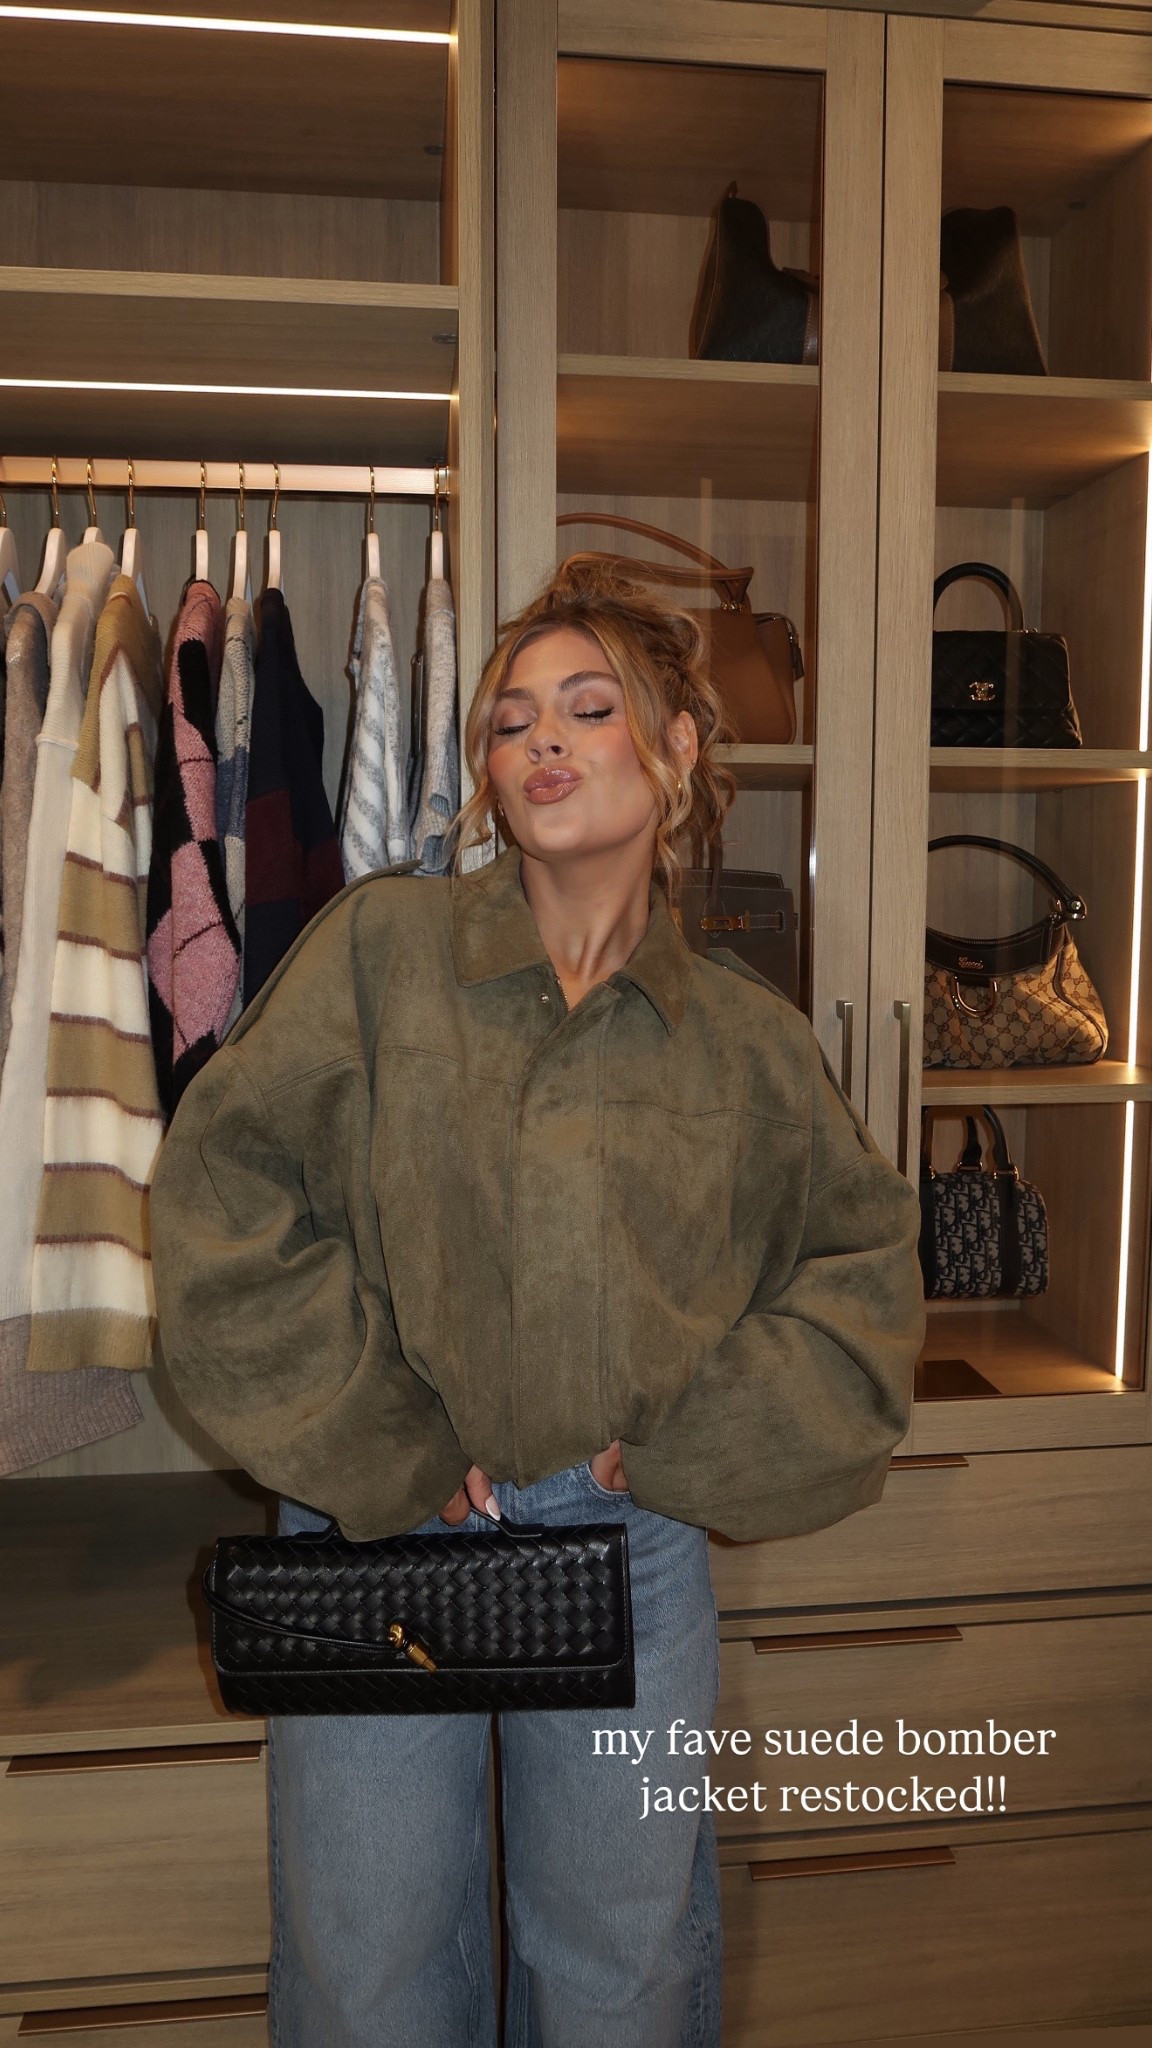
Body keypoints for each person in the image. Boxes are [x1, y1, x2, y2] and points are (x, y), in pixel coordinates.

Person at [151, 556, 925, 2048]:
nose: (542, 741)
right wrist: (387, 1440)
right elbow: (221, 1196)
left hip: (629, 1545)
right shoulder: (383, 955)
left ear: (677, 745)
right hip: (380, 1532)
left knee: (618, 1974)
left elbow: (860, 1278)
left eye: (588, 707)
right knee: (371, 1968)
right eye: (511, 722)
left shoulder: (748, 1045)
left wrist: (695, 1443)